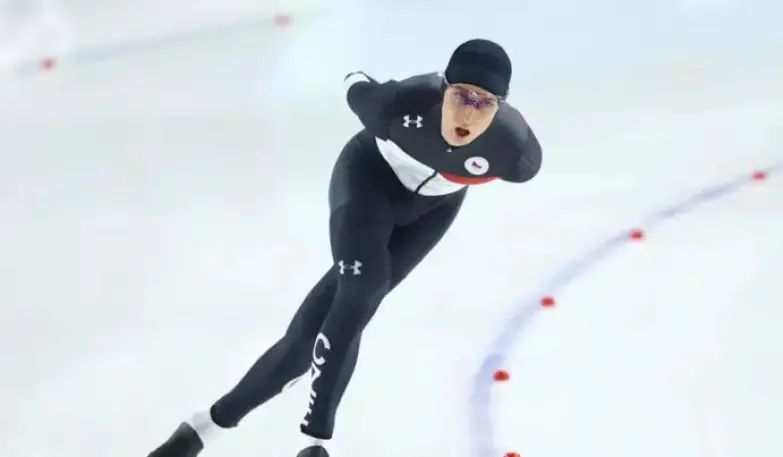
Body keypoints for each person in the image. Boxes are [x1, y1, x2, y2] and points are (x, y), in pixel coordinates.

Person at [146, 38, 542, 457]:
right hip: (367, 182)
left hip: (430, 213)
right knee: (362, 289)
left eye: (484, 103)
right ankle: (315, 442)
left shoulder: (515, 153)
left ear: (499, 107)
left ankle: (201, 429)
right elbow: (355, 81)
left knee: (304, 345)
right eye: (461, 95)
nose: (468, 113)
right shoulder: (399, 104)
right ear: (443, 88)